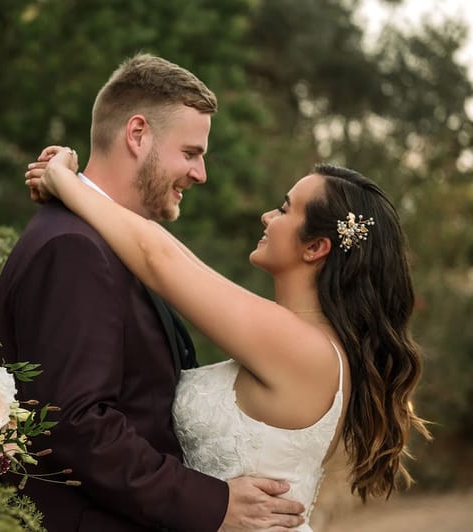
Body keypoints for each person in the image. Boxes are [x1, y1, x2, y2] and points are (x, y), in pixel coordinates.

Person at [25, 147, 431, 531]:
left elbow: (158, 259)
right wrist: (80, 185)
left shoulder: (301, 346)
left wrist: (64, 179)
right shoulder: (298, 338)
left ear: (315, 247)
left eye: (285, 209)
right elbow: (174, 255)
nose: (267, 216)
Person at [0, 53, 305, 532]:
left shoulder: (107, 242)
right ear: (137, 135)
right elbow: (77, 424)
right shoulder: (74, 248)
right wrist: (212, 504)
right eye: (191, 153)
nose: (200, 174)